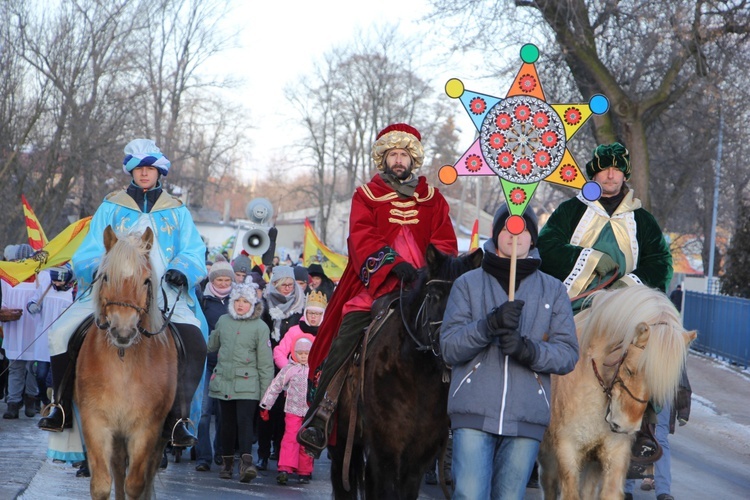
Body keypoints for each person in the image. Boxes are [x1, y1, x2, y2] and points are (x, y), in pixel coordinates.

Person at [298, 123, 458, 457]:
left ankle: (452, 424)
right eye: (392, 155)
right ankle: (323, 411)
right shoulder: (366, 196)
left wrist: (428, 269)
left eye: (403, 154)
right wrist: (391, 263)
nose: (398, 160)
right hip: (377, 284)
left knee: (449, 334)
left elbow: (444, 240)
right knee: (346, 332)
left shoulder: (433, 198)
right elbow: (360, 236)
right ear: (382, 159)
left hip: (424, 284)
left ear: (412, 159)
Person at [39, 139, 208, 452]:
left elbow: (195, 249)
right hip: (113, 291)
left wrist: (183, 270)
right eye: (139, 168)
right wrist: (101, 270)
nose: (144, 174)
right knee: (59, 334)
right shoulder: (111, 205)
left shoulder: (178, 211)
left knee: (196, 342)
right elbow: (88, 250)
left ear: (160, 173)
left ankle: (178, 419)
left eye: (150, 169)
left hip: (166, 292)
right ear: (131, 171)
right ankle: (60, 408)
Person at [439, 205, 579, 499]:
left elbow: (567, 354)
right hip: (473, 411)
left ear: (533, 238)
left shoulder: (553, 291)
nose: (515, 235)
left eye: (523, 229)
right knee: (469, 494)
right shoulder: (468, 283)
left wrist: (528, 350)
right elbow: (450, 347)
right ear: (496, 234)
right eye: (507, 228)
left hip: (526, 416)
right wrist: (488, 325)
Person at [537, 142, 673, 311]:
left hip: (624, 309)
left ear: (625, 176)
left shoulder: (643, 219)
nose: (610, 175)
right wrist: (591, 259)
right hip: (571, 308)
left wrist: (629, 284)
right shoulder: (570, 210)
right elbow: (545, 247)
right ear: (594, 174)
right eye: (604, 169)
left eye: (617, 169)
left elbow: (660, 263)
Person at [207, 281, 273, 482]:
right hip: (224, 381)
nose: (241, 305)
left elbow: (265, 363)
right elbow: (212, 346)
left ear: (252, 304)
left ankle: (246, 464)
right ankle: (226, 463)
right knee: (226, 425)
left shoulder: (260, 327)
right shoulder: (223, 321)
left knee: (244, 424)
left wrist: (266, 394)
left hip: (248, 385)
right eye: (237, 301)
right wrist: (211, 332)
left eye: (245, 301)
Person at [257, 265, 305, 470]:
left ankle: (280, 450)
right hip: (271, 363)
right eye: (283, 284)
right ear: (275, 284)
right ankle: (263, 453)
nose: (287, 288)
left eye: (290, 284)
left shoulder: (301, 304)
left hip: (295, 365)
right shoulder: (266, 304)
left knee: (288, 413)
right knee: (268, 410)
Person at [194, 260, 235, 472]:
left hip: (228, 362)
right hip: (206, 361)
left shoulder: (236, 300)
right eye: (219, 279)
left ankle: (221, 451)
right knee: (203, 412)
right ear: (212, 280)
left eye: (227, 279)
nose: (223, 283)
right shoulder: (203, 300)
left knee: (224, 412)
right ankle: (203, 456)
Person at [260, 333, 316, 485]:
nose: (304, 356)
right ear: (294, 352)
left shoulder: (317, 370)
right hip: (292, 409)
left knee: (307, 440)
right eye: (300, 353)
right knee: (290, 438)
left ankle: (305, 471)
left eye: (307, 353)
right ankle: (285, 467)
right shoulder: (289, 369)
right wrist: (266, 405)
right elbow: (275, 386)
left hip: (311, 413)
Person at [26, 265, 76, 413]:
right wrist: (32, 306)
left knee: (55, 378)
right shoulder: (46, 288)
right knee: (40, 375)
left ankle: (55, 405)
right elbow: (33, 301)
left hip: (61, 341)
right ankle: (44, 400)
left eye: (60, 282)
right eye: (54, 281)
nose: (56, 284)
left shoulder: (73, 294)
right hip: (43, 339)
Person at [1, 244, 42, 420]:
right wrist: (4, 312)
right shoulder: (7, 278)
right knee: (15, 367)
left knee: (31, 367)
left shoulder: (40, 277)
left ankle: (31, 400)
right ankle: (13, 403)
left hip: (33, 329)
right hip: (15, 329)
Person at [274, 291, 327, 369]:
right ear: (305, 313)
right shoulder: (294, 331)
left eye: (317, 313)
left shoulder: (327, 333)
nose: (313, 316)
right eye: (310, 313)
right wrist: (289, 370)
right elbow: (279, 352)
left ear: (323, 315)